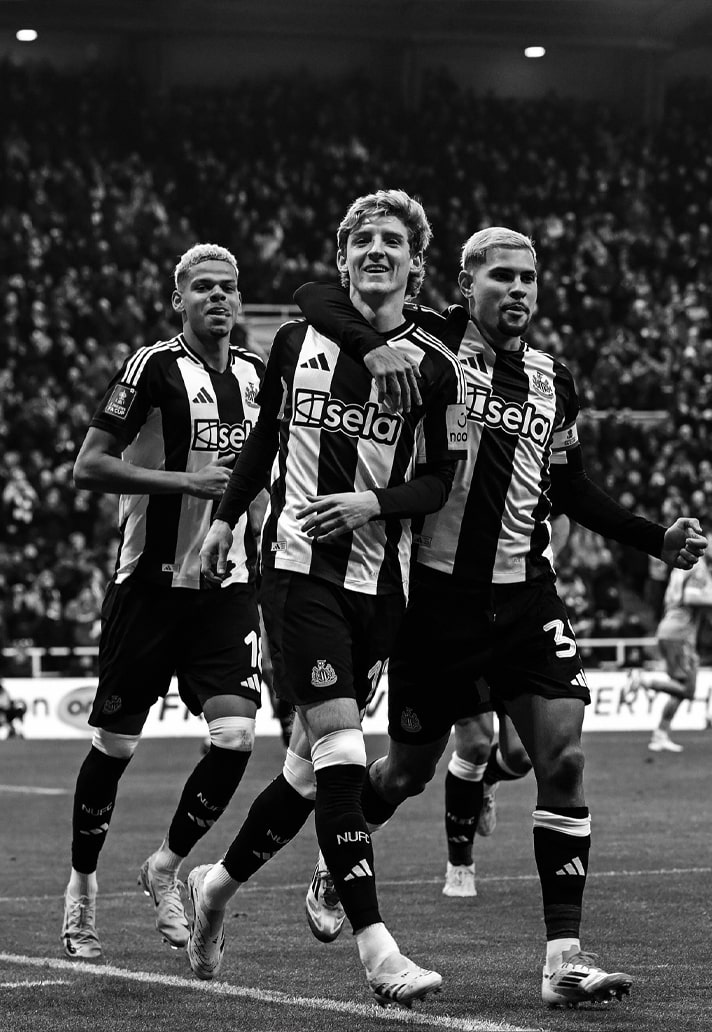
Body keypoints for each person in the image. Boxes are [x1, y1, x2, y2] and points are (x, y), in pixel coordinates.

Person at [293, 226, 707, 1008]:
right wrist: (372, 347)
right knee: (407, 772)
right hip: (436, 603)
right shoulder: (425, 341)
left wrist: (656, 539)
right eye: (501, 276)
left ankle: (563, 960)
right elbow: (317, 297)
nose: (517, 290)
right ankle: (335, 856)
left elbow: (571, 488)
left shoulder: (554, 379)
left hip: (525, 596)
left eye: (528, 278)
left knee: (565, 759)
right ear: (464, 283)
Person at [188, 189, 468, 1008]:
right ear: (343, 259)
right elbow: (265, 439)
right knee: (345, 755)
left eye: (393, 241)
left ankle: (214, 887)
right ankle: (379, 953)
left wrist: (369, 503)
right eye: (362, 240)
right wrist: (224, 520)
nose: (377, 249)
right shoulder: (293, 339)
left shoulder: (437, 367)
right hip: (297, 573)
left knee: (308, 775)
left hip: (382, 589)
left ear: (416, 264)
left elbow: (438, 482)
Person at [61, 244, 266, 961]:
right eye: (203, 287)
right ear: (178, 299)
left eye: (228, 287)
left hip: (225, 589)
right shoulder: (151, 367)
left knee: (236, 738)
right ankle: (82, 889)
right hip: (147, 589)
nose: (218, 298)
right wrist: (187, 484)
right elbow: (88, 466)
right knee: (115, 747)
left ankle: (166, 866)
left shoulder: (258, 378)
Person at [440, 513, 569, 898]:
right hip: (465, 612)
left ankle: (488, 780)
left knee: (521, 756)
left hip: (521, 612)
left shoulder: (537, 474)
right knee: (476, 743)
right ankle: (460, 864)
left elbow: (564, 514)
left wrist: (546, 557)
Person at [627, 553, 712, 752]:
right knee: (687, 689)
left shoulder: (680, 567)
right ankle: (643, 681)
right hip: (680, 632)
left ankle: (660, 735)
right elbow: (691, 596)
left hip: (671, 628)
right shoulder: (698, 567)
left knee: (680, 687)